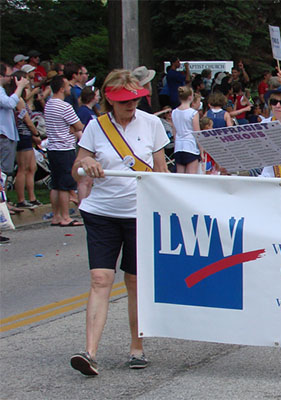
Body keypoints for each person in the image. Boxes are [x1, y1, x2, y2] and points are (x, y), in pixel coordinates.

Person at [69, 69, 170, 376]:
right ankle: (89, 352)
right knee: (100, 278)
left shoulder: (152, 124)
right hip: (101, 212)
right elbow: (77, 169)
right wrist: (85, 163)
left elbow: (161, 170)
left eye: (136, 99)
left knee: (135, 281)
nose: (131, 105)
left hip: (139, 212)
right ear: (109, 99)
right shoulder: (95, 127)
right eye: (124, 100)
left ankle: (136, 347)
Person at [44, 74, 84, 227]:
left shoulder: (49, 104)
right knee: (65, 184)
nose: (69, 88)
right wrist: (72, 128)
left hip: (53, 147)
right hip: (64, 147)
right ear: (61, 89)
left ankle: (56, 215)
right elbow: (79, 126)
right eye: (67, 86)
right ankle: (66, 217)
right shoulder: (65, 106)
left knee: (56, 183)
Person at [7, 71, 41, 208]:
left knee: (32, 167)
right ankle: (21, 199)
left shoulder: (23, 99)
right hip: (23, 135)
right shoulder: (18, 100)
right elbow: (26, 119)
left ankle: (32, 197)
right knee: (23, 168)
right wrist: (35, 133)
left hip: (28, 136)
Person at [1, 63, 28, 180]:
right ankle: (2, 198)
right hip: (4, 135)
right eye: (8, 75)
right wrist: (20, 87)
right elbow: (10, 103)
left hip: (6, 135)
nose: (11, 78)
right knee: (4, 172)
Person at [171, 86, 201, 174]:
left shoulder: (174, 112)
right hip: (190, 146)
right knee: (191, 177)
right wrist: (201, 150)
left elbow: (174, 131)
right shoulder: (193, 113)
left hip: (178, 146)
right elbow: (197, 133)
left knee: (180, 176)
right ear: (190, 97)